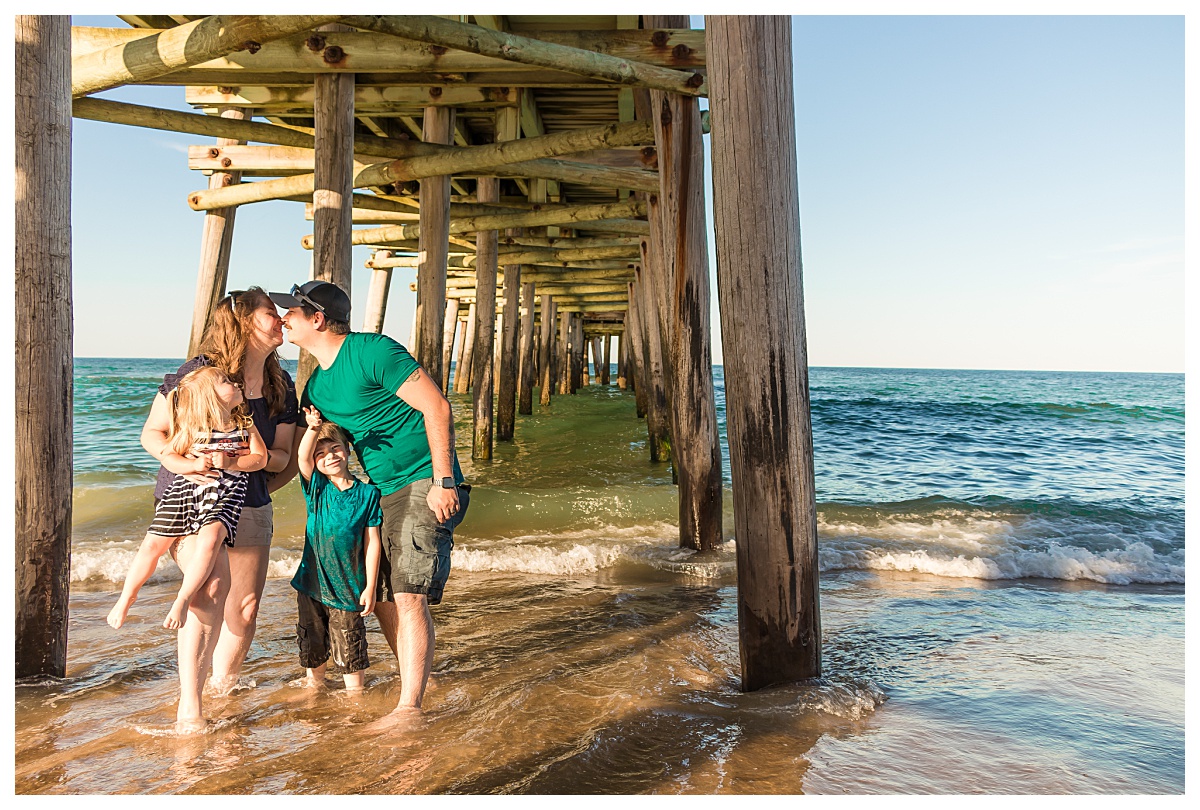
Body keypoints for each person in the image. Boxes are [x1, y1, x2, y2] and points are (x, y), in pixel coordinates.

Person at [269, 280, 469, 717]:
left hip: (422, 479)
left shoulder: (374, 351)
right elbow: (300, 459)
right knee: (378, 597)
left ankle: (408, 708)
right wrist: (255, 494)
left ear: (317, 318)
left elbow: (437, 407)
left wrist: (445, 480)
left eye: (292, 313)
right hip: (379, 493)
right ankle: (421, 678)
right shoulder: (315, 389)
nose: (284, 319)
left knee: (408, 594)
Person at [140, 287, 299, 706]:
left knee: (244, 609)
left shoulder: (281, 384)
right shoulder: (199, 372)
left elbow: (284, 456)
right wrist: (180, 463)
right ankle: (190, 705)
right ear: (245, 321)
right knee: (209, 589)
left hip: (248, 501)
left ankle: (222, 690)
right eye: (271, 313)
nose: (281, 319)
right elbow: (153, 434)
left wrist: (250, 459)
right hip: (190, 497)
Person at [107, 366, 266, 631]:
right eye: (226, 381)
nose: (235, 382)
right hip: (183, 492)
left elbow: (260, 459)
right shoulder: (193, 428)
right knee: (152, 546)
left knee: (211, 539)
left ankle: (182, 598)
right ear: (210, 397)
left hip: (224, 497)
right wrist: (190, 467)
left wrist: (232, 461)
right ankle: (127, 596)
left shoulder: (244, 426)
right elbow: (169, 457)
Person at [291, 409, 382, 691]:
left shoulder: (368, 494)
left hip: (347, 588)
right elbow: (301, 458)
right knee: (312, 646)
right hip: (311, 584)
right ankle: (315, 690)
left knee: (350, 652)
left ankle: (356, 700)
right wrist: (312, 429)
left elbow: (372, 542)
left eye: (335, 448)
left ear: (347, 449)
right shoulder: (317, 487)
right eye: (322, 453)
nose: (329, 456)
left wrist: (370, 587)